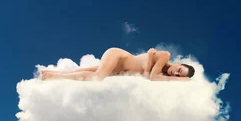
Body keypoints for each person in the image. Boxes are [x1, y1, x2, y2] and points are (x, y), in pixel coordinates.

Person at [40, 47, 195, 81]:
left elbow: (151, 75)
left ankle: (50, 74)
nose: (175, 73)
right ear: (179, 63)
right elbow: (152, 77)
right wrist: (182, 79)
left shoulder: (161, 72)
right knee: (96, 78)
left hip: (119, 68)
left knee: (88, 71)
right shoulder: (165, 56)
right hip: (118, 57)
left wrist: (149, 58)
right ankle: (53, 77)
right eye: (179, 70)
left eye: (178, 75)